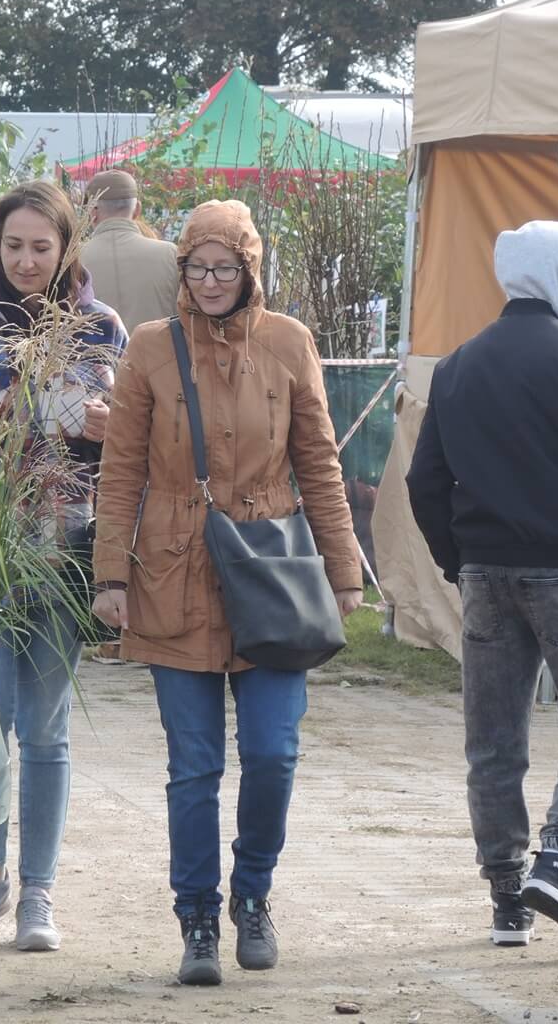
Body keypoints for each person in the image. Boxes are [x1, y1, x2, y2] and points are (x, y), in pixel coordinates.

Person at [90, 198, 362, 986]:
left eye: (225, 268)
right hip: (173, 572)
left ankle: (253, 894)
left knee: (273, 752)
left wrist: (343, 569)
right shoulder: (151, 347)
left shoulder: (289, 342)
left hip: (271, 572)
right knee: (194, 767)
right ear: (182, 269)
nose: (210, 282)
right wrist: (111, 576)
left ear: (251, 270)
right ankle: (198, 918)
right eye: (197, 268)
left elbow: (320, 465)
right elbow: (121, 471)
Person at [406, 220, 558, 952]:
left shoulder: (457, 365)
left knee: (494, 740)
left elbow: (424, 480)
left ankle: (508, 900)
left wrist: (457, 559)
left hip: (485, 572)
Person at [0, 180, 125, 954]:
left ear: (68, 246)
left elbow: (136, 451)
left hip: (67, 550)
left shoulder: (103, 327)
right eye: (13, 245)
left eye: (43, 246)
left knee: (45, 729)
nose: (27, 260)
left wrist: (109, 429)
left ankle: (38, 892)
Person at [78, 169, 180, 331]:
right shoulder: (170, 254)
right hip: (157, 348)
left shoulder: (73, 260)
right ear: (137, 209)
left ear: (92, 212)